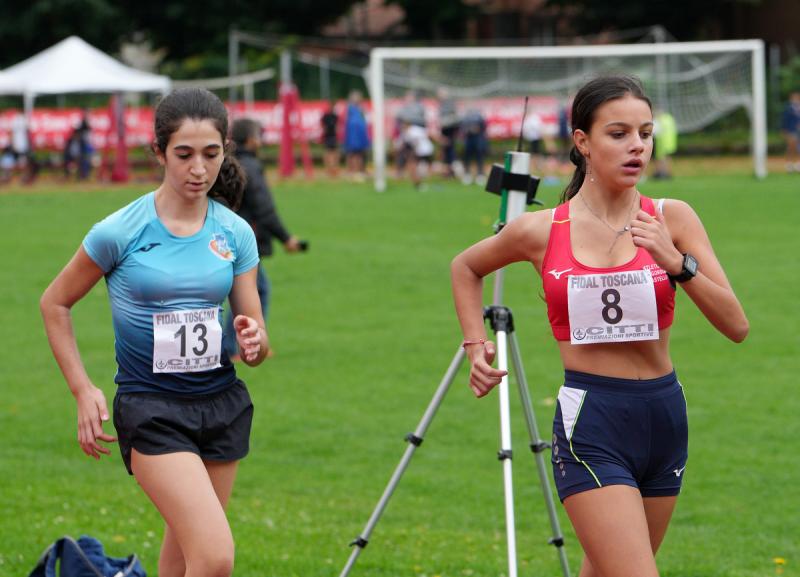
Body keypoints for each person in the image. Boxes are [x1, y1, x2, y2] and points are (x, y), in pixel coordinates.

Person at [451, 75, 748, 577]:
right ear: (582, 141)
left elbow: (736, 325)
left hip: (664, 418)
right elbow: (466, 267)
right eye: (619, 133)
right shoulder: (541, 230)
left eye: (646, 133)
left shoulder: (672, 218)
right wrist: (475, 345)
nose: (638, 146)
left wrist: (676, 262)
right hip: (593, 422)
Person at [40, 88, 270, 577]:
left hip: (221, 404)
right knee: (214, 558)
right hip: (153, 408)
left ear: (225, 149)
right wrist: (82, 389)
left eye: (211, 155)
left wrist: (253, 340)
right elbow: (55, 303)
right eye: (184, 155)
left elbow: (256, 339)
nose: (199, 170)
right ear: (159, 151)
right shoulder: (119, 231)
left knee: (183, 562)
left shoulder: (235, 232)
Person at [224, 118, 303, 360]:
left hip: (225, 237)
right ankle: (240, 346)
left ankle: (233, 345)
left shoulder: (228, 163)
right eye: (258, 135)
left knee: (248, 290)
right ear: (250, 139)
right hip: (246, 239)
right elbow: (264, 208)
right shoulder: (250, 167)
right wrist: (286, 237)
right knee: (256, 289)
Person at [343, 89, 370, 181]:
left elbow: (366, 119)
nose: (357, 99)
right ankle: (352, 171)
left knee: (361, 153)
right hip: (353, 134)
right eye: (355, 97)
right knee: (352, 153)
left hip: (361, 133)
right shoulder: (349, 108)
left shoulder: (362, 108)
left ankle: (360, 171)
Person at [460, 107, 488, 185]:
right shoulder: (465, 118)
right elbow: (462, 128)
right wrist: (468, 130)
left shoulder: (479, 117)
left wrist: (477, 130)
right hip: (468, 140)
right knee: (467, 158)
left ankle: (480, 175)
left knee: (479, 158)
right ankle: (467, 174)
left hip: (478, 140)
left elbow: (484, 127)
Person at [652, 109, 678, 179]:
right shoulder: (669, 118)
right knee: (668, 158)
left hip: (661, 142)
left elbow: (655, 131)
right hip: (671, 142)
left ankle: (661, 173)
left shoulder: (659, 120)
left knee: (661, 158)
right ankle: (667, 173)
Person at [780, 91, 800, 173]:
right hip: (791, 130)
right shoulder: (788, 109)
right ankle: (789, 164)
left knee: (798, 148)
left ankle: (797, 164)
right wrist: (784, 130)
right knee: (791, 147)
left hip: (798, 131)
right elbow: (784, 120)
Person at [320, 100, 340, 177]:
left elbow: (336, 127)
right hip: (328, 136)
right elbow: (323, 125)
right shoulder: (327, 116)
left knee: (333, 153)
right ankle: (329, 168)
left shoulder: (334, 116)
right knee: (329, 153)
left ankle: (333, 168)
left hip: (332, 136)